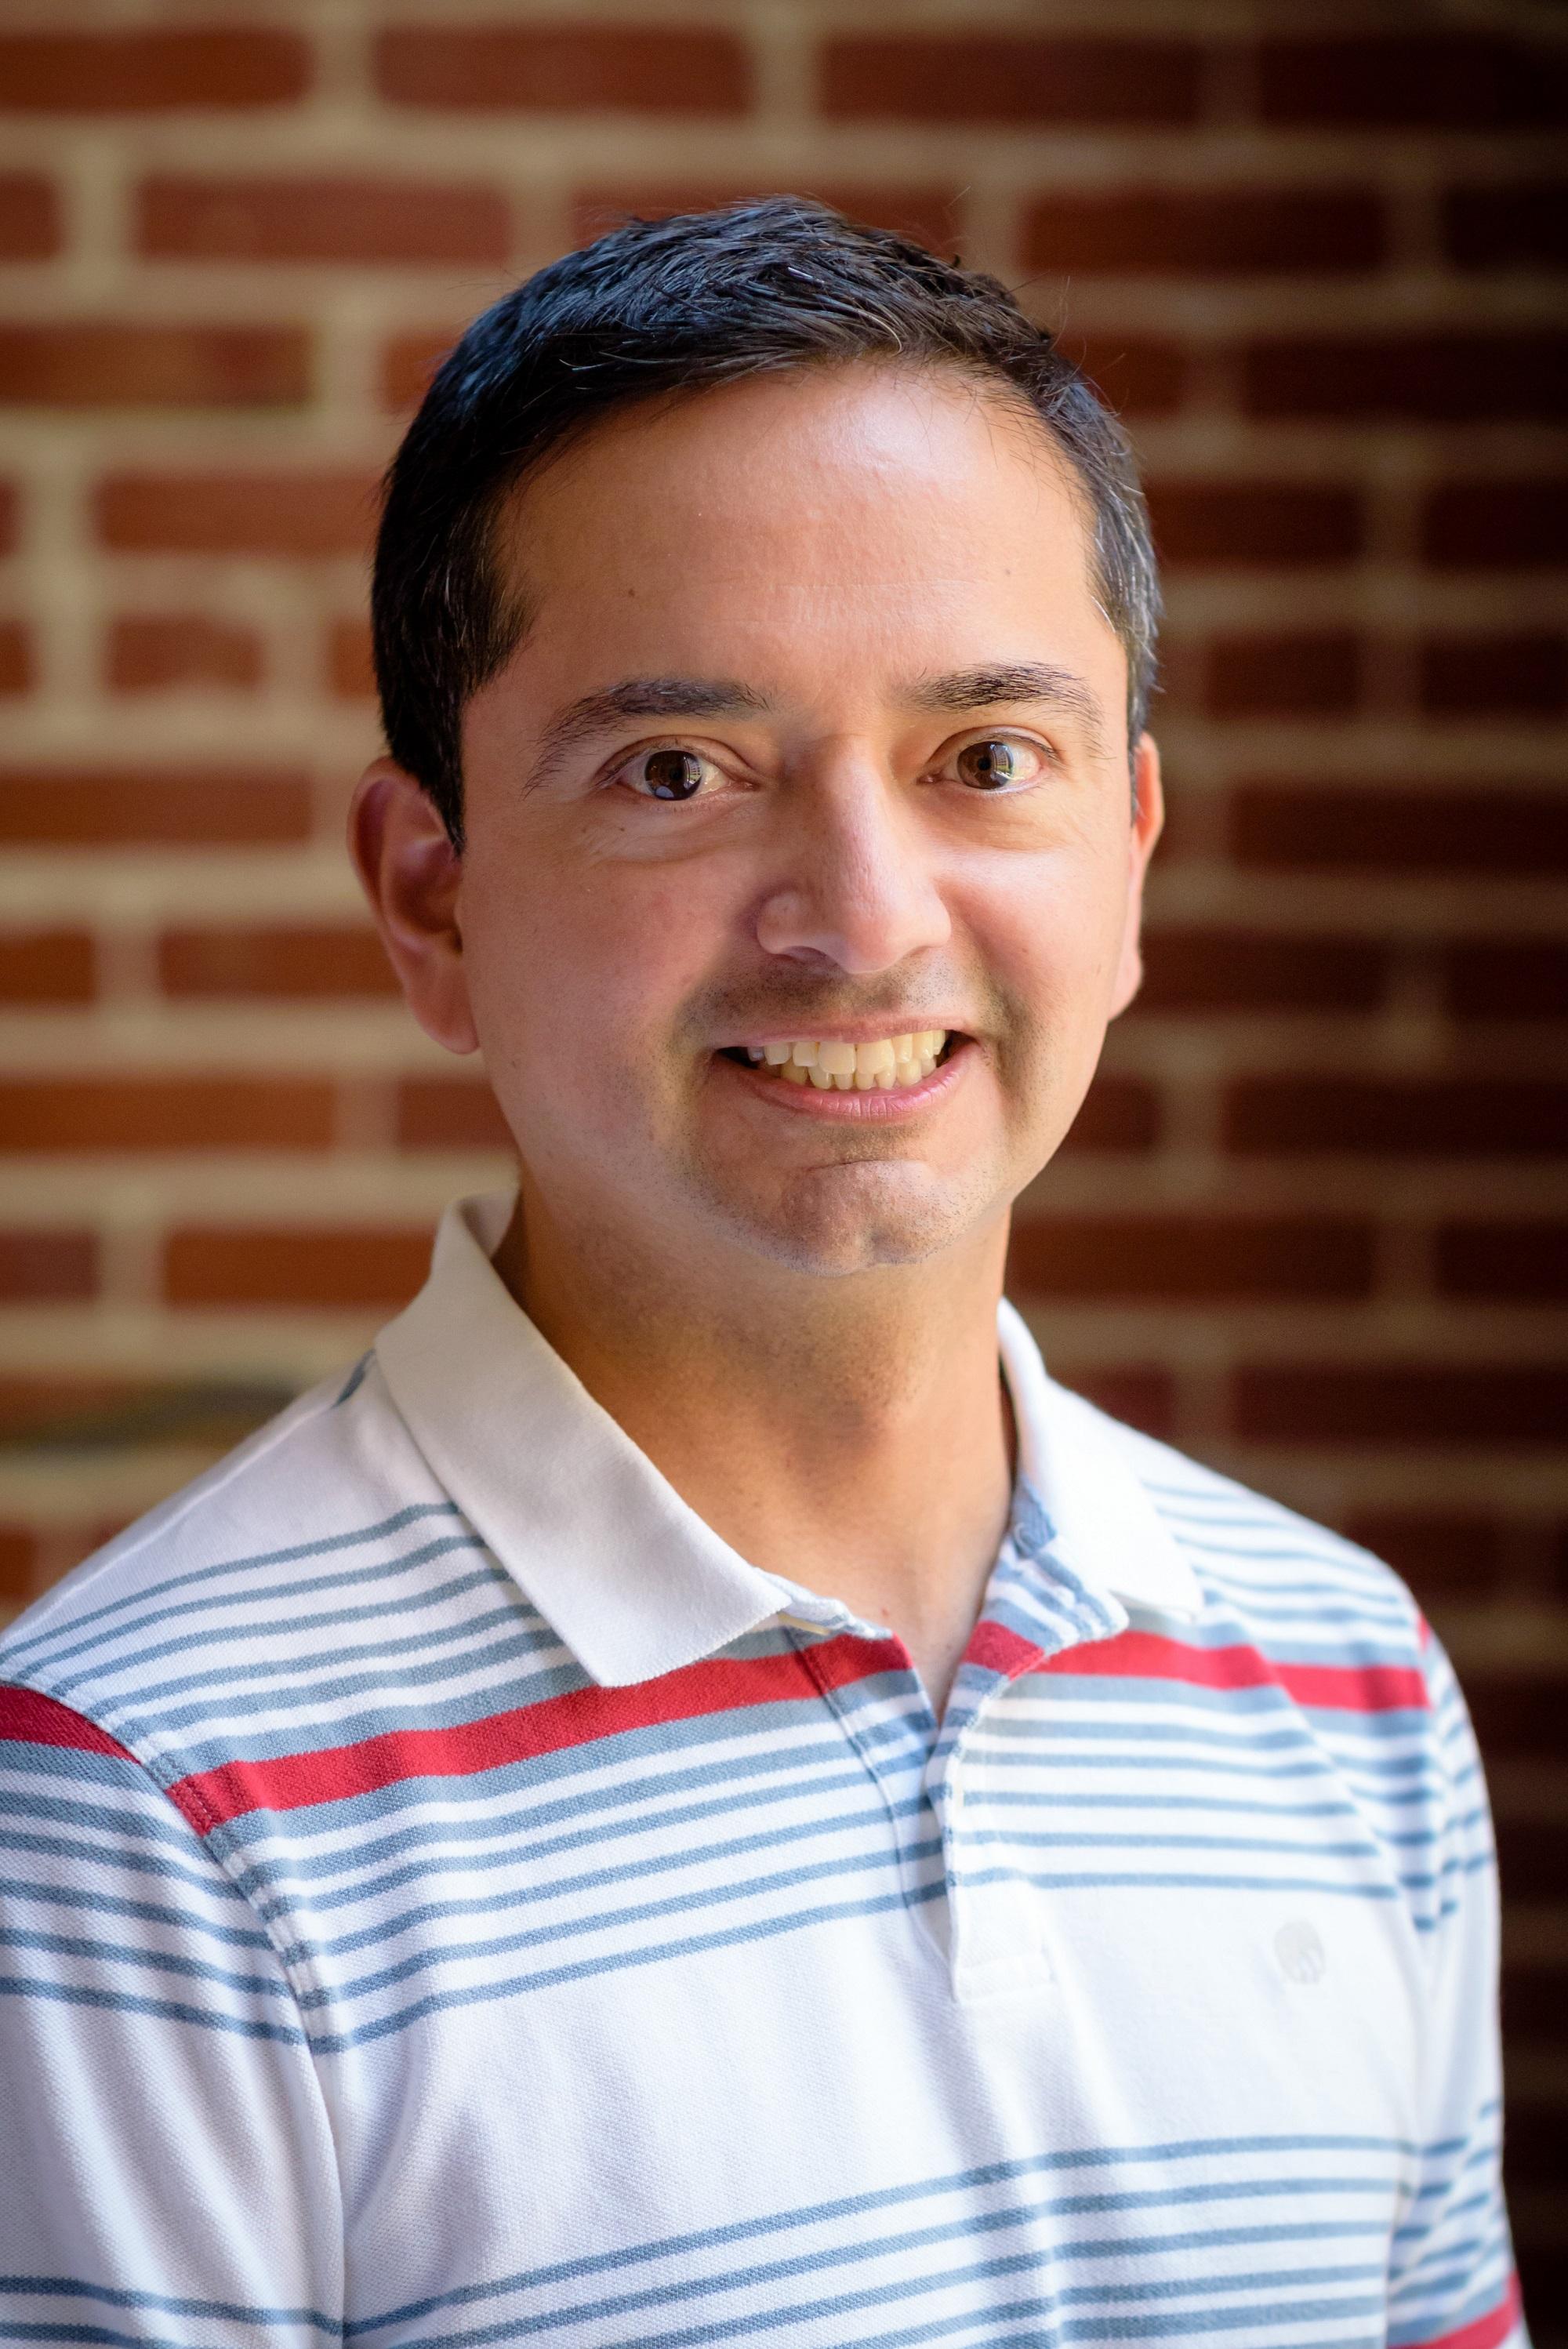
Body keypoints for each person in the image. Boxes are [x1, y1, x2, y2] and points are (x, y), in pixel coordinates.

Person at [0, 201, 1526, 2349]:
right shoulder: (131, 1806)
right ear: (429, 899)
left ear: (1131, 862)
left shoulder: (1347, 1689)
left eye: (985, 757)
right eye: (681, 771)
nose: (862, 917)